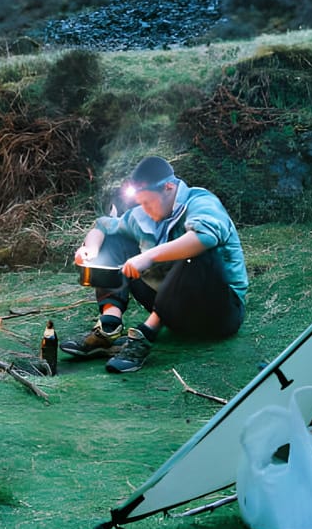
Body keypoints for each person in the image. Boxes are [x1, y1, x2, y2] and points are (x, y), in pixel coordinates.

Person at [61, 156, 248, 373]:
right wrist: (90, 250)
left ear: (168, 188)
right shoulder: (141, 216)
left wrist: (148, 257)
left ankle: (145, 336)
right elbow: (103, 226)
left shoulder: (201, 202)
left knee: (198, 253)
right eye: (141, 203)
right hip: (176, 312)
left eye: (148, 202)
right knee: (114, 239)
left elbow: (206, 237)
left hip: (218, 312)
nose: (145, 209)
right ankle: (109, 327)